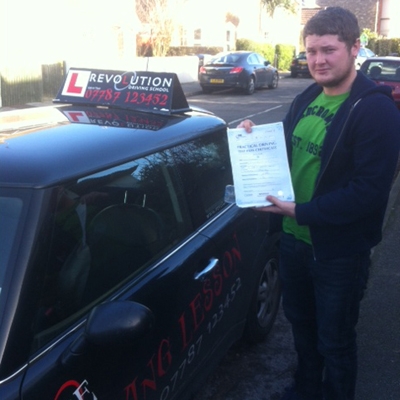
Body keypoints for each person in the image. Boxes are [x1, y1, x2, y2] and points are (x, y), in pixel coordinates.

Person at [237, 7, 400, 400]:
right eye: (311, 51)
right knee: (302, 328)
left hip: (338, 253)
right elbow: (289, 153)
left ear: (354, 48)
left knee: (336, 340)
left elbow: (369, 192)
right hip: (293, 241)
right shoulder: (308, 96)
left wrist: (302, 212)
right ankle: (306, 388)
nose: (318, 60)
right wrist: (253, 139)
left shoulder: (375, 111)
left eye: (328, 50)